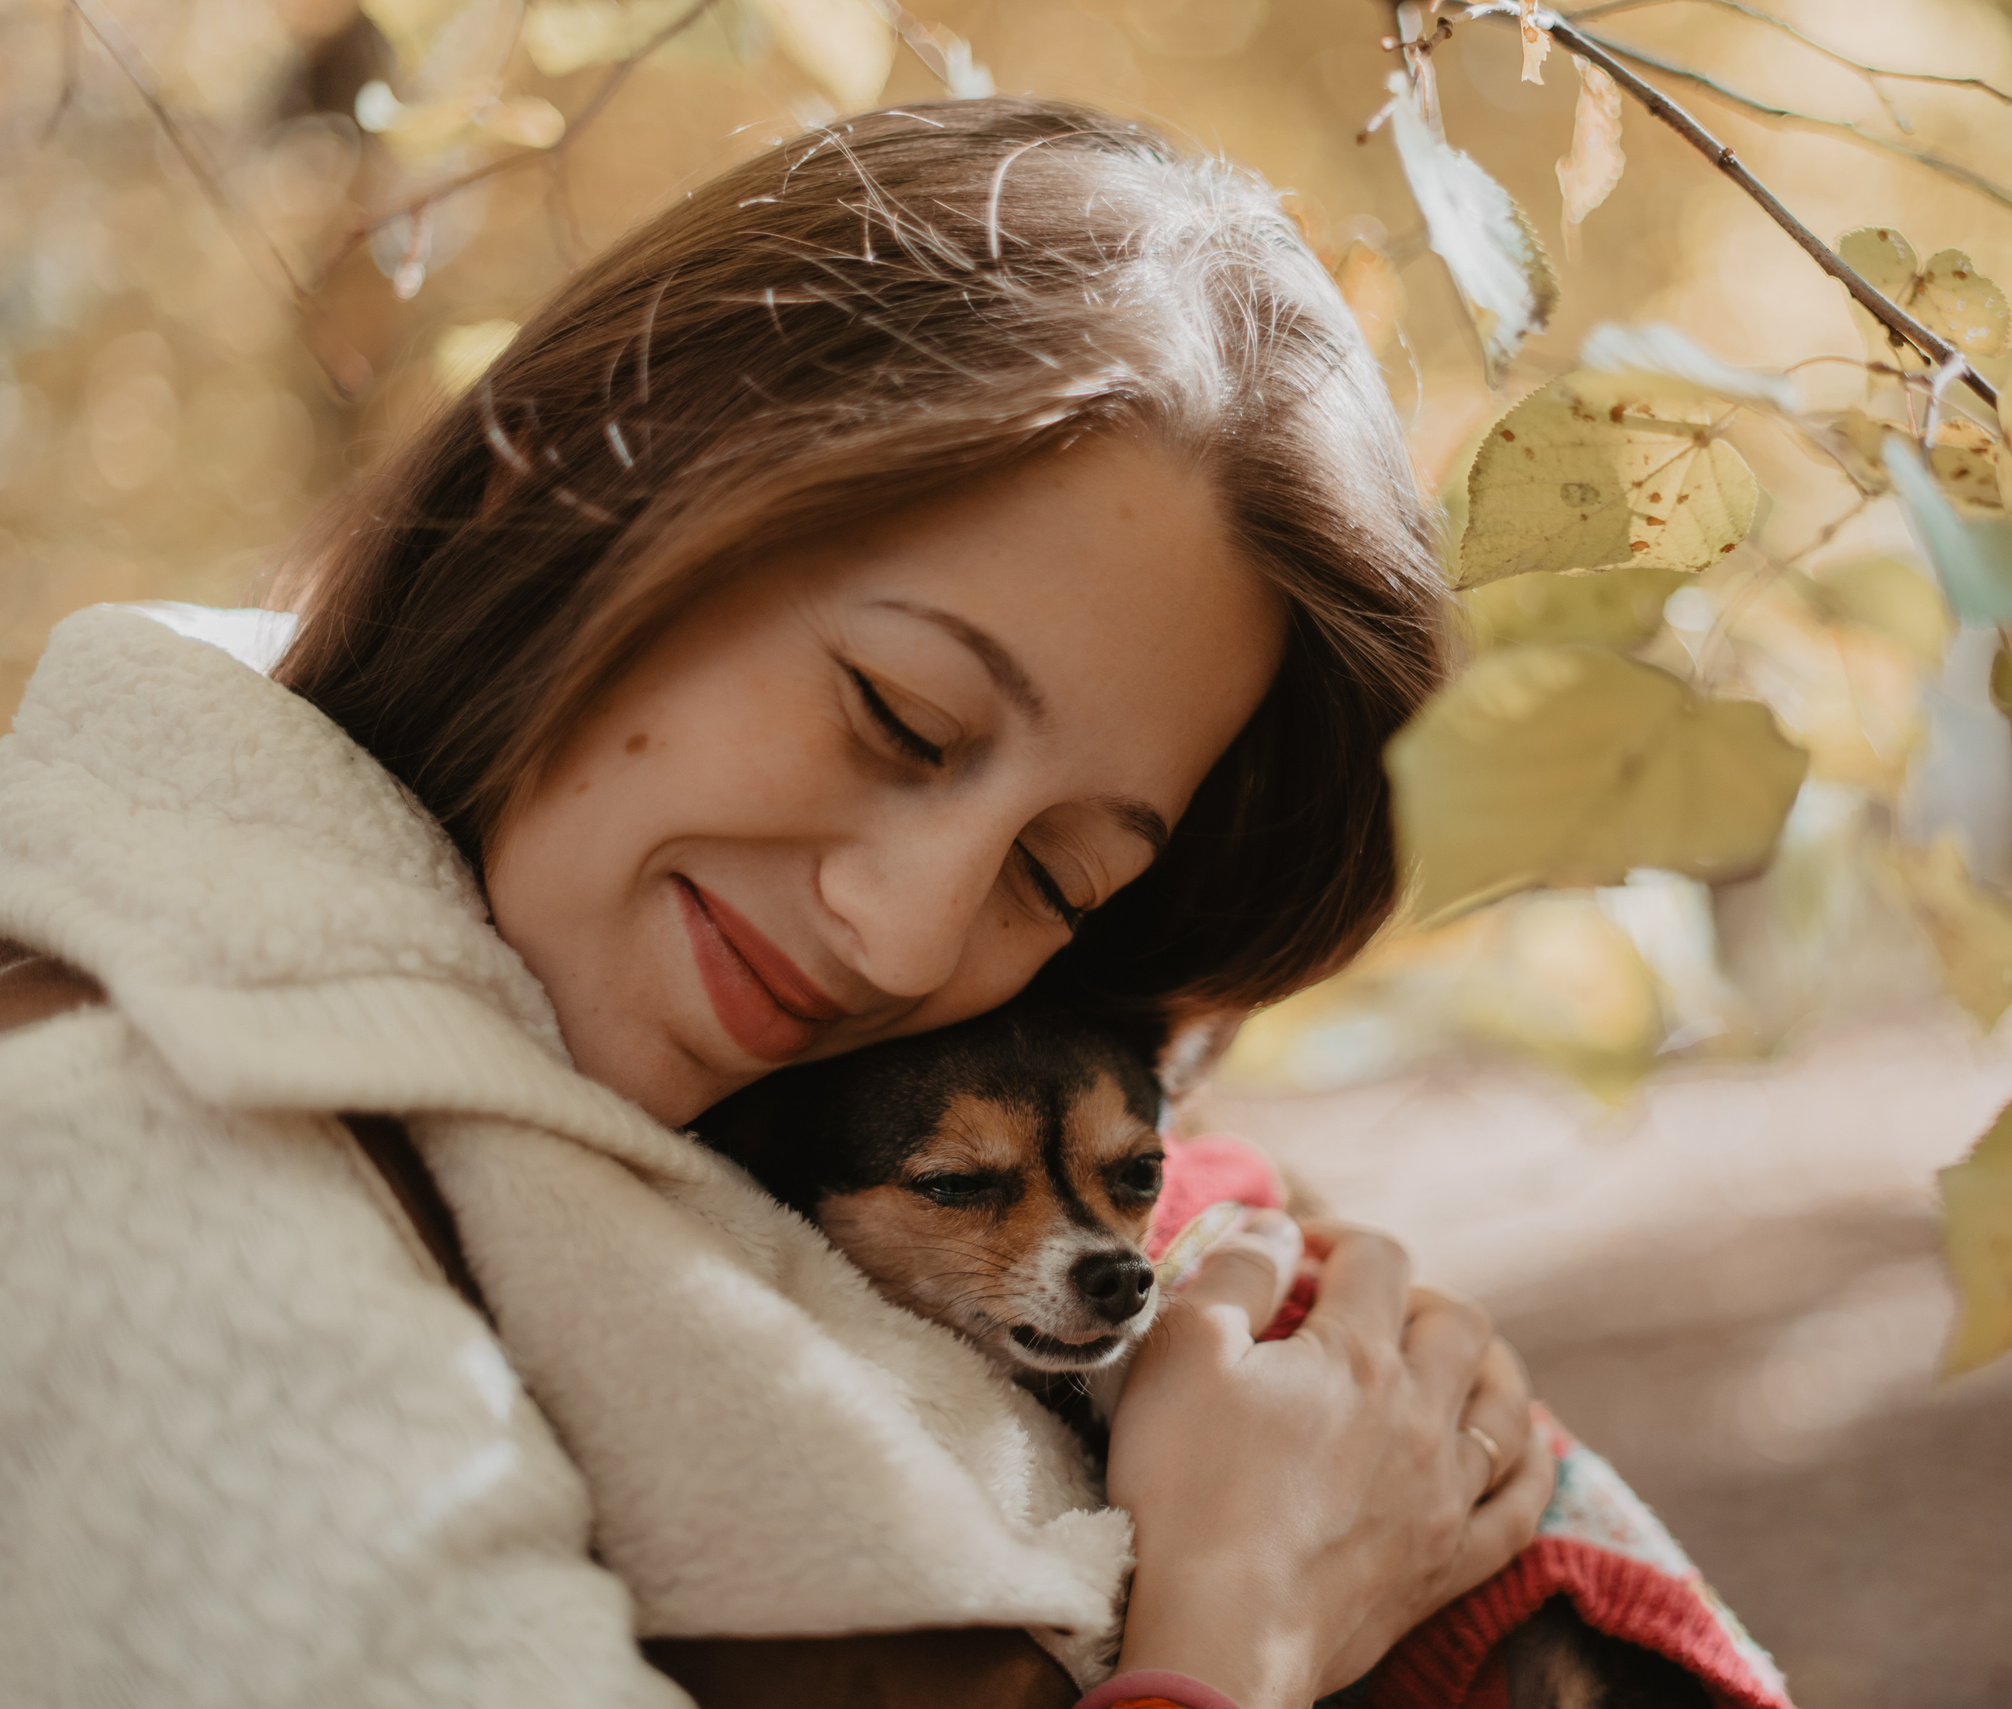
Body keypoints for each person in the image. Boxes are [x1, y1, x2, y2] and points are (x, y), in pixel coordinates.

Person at [0, 99, 1551, 1709]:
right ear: (619, 485)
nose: (904, 935)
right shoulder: (139, 1149)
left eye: (1054, 875)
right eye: (899, 716)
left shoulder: (633, 1121)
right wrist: (1237, 1624)